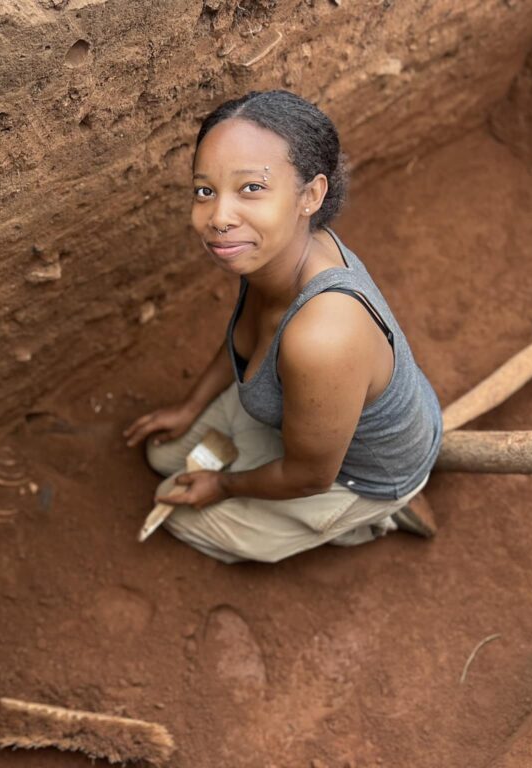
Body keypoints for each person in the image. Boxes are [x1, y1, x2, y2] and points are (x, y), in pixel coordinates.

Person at [123, 90, 443, 564]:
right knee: (162, 456)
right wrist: (192, 406)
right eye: (205, 190)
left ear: (311, 195)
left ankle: (375, 517)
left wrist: (224, 486)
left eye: (251, 188)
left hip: (354, 473)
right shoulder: (275, 252)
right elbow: (245, 336)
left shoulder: (323, 338)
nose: (219, 218)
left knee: (178, 506)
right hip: (309, 415)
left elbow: (310, 476)